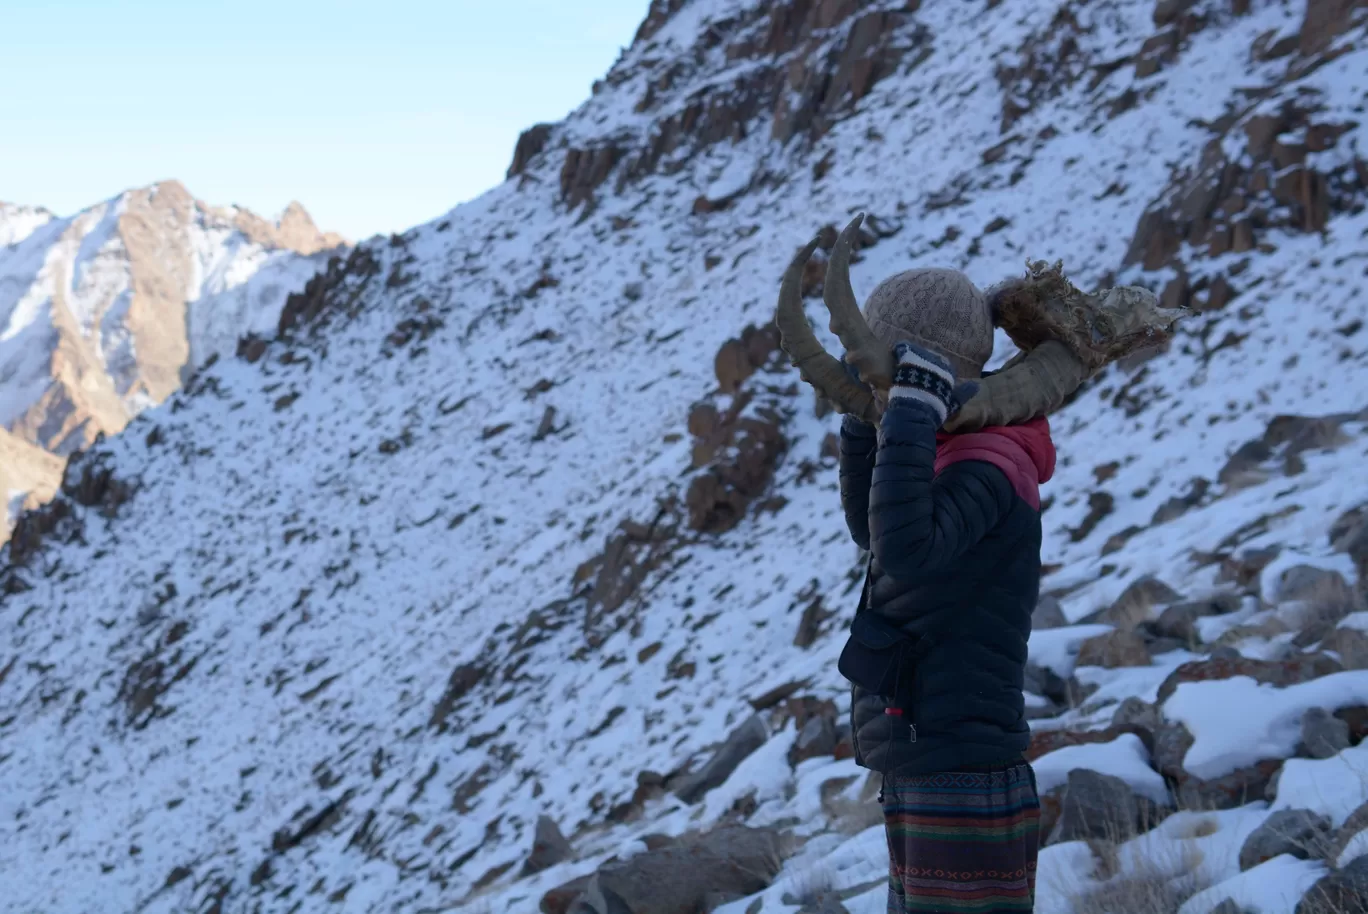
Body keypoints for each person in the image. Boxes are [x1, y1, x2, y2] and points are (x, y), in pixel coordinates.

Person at [836, 268, 1056, 913]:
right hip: (927, 753)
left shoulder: (991, 462)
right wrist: (865, 427)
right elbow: (873, 533)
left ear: (922, 369)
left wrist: (907, 414)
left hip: (961, 767)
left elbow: (905, 550)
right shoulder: (949, 449)